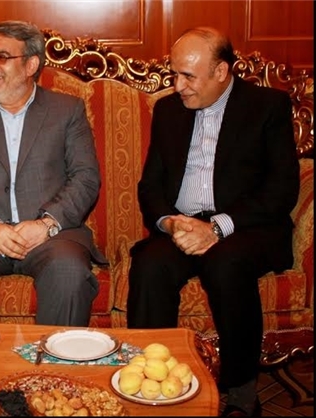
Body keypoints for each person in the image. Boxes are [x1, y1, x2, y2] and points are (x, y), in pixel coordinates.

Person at [126, 27, 299, 417]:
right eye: (174, 74)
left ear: (221, 72)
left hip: (246, 226)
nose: (178, 86)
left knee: (226, 263)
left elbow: (281, 189)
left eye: (188, 76)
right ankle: (154, 377)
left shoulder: (267, 106)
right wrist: (169, 223)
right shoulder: (168, 110)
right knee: (151, 264)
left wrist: (218, 227)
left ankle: (240, 388)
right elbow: (150, 185)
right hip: (184, 224)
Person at [0, 20, 107, 326]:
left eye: (2, 57)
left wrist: (46, 224)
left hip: (52, 236)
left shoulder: (67, 110)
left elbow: (86, 177)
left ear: (31, 65)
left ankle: (57, 357)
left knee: (68, 270)